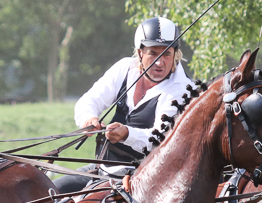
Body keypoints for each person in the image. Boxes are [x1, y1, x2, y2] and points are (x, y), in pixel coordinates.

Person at [54, 16, 192, 193]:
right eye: (153, 53)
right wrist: (89, 119)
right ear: (140, 52)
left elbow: (161, 140)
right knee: (49, 192)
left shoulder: (182, 89)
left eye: (166, 54)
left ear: (175, 54)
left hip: (147, 181)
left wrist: (126, 134)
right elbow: (89, 101)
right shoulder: (125, 68)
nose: (159, 62)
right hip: (102, 169)